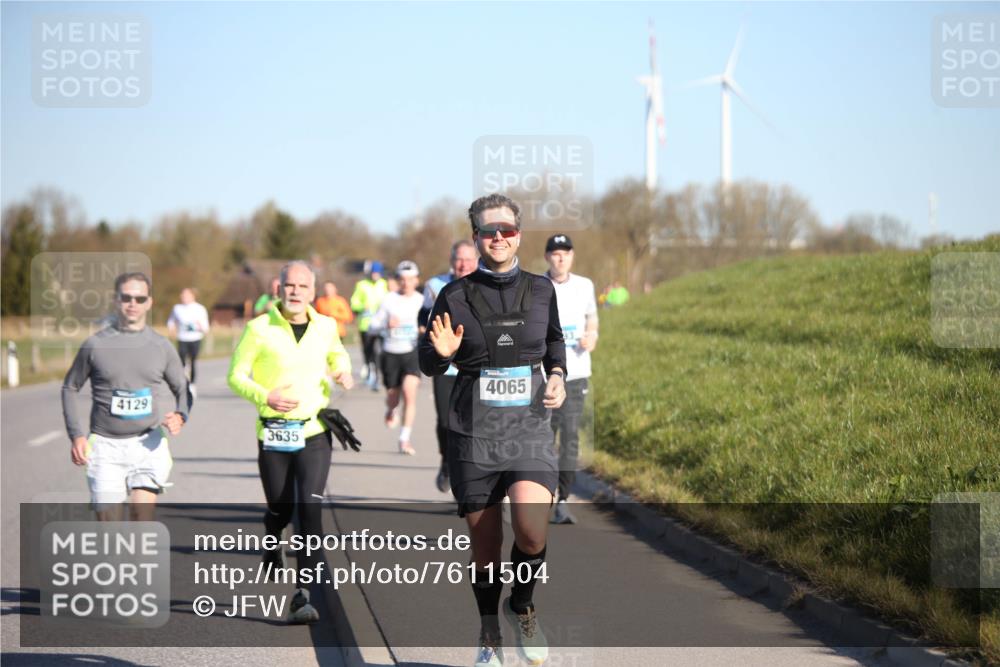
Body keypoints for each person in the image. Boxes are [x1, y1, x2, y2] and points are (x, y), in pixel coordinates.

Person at [419, 193, 566, 667]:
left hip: (528, 429)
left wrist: (558, 376)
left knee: (531, 532)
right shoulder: (453, 296)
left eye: (506, 229)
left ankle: (521, 605)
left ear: (518, 234)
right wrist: (439, 354)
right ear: (476, 237)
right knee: (486, 551)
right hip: (475, 434)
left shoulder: (542, 290)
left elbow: (554, 342)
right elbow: (427, 361)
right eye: (488, 231)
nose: (498, 237)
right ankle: (489, 638)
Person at [227, 260, 354, 624]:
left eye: (302, 286)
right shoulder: (259, 328)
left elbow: (337, 353)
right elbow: (235, 376)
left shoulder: (326, 326)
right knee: (281, 506)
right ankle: (272, 531)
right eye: (289, 286)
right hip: (274, 432)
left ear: (313, 292)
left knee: (310, 512)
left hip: (314, 430)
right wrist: (264, 395)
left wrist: (342, 368)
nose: (296, 292)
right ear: (278, 289)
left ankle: (303, 596)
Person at [62, 272, 191, 521]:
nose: (133, 303)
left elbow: (182, 388)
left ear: (149, 302)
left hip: (148, 444)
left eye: (140, 298)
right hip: (105, 447)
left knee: (141, 520)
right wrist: (76, 435)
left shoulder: (161, 346)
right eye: (126, 297)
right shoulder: (95, 345)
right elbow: (70, 387)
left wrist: (181, 415)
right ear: (116, 299)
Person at [544, 234, 598, 525]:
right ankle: (539, 497)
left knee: (570, 439)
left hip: (576, 373)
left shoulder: (585, 285)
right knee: (542, 439)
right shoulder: (537, 286)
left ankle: (562, 501)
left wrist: (592, 335)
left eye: (565, 252)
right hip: (545, 376)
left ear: (572, 256)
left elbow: (592, 318)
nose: (560, 258)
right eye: (554, 253)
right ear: (547, 258)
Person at [419, 240, 478, 493]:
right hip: (445, 367)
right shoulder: (434, 285)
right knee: (445, 421)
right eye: (458, 259)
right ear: (451, 260)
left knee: (472, 424)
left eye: (468, 259)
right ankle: (446, 461)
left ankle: (468, 473)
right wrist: (425, 328)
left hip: (473, 367)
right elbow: (423, 314)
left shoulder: (484, 284)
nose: (463, 264)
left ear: (476, 261)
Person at [369, 261, 425, 456]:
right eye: (402, 279)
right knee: (393, 397)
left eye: (410, 279)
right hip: (391, 353)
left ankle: (404, 438)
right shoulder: (389, 300)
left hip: (411, 353)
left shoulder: (421, 300)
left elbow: (430, 323)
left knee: (410, 392)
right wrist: (385, 324)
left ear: (417, 280)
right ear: (398, 281)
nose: (406, 283)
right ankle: (391, 410)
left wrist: (423, 330)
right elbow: (372, 325)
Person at [350, 261, 389, 391]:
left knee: (379, 352)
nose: (375, 275)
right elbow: (354, 303)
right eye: (373, 273)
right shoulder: (361, 285)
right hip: (365, 325)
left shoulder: (384, 285)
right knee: (368, 352)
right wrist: (362, 307)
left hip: (381, 326)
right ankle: (369, 369)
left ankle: (377, 376)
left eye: (377, 273)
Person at [166, 287, 210, 396]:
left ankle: (192, 385)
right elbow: (171, 320)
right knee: (181, 362)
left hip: (195, 338)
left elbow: (205, 325)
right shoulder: (177, 308)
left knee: (193, 361)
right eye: (182, 295)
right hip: (182, 338)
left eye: (186, 295)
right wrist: (171, 329)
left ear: (193, 296)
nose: (184, 297)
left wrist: (202, 327)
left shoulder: (200, 308)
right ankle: (183, 384)